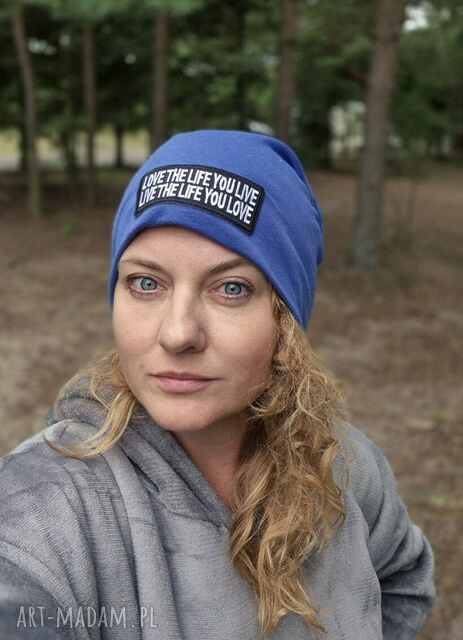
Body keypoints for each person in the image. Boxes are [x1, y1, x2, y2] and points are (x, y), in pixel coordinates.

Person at [0, 130, 435, 640]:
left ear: (285, 321)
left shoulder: (344, 467)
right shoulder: (41, 507)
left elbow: (402, 581)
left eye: (231, 288)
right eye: (146, 283)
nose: (178, 333)